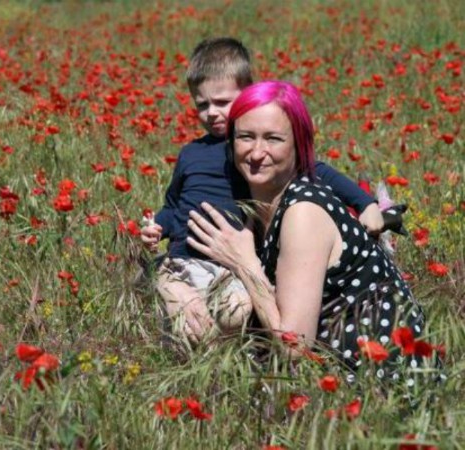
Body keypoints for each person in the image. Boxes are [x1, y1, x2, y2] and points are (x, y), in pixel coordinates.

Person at [186, 80, 438, 384]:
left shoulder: (303, 212)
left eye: (273, 139)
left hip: (374, 386)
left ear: (299, 144)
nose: (256, 152)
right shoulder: (254, 206)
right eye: (245, 137)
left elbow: (294, 346)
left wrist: (245, 264)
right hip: (327, 375)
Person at [141, 37, 384, 346]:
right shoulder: (191, 153)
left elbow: (316, 170)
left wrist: (366, 203)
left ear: (247, 95)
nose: (212, 113)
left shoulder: (254, 152)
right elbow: (174, 203)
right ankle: (190, 365)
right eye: (202, 104)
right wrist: (157, 226)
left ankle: (223, 362)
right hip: (183, 259)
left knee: (235, 313)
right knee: (189, 323)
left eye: (222, 102)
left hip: (231, 266)